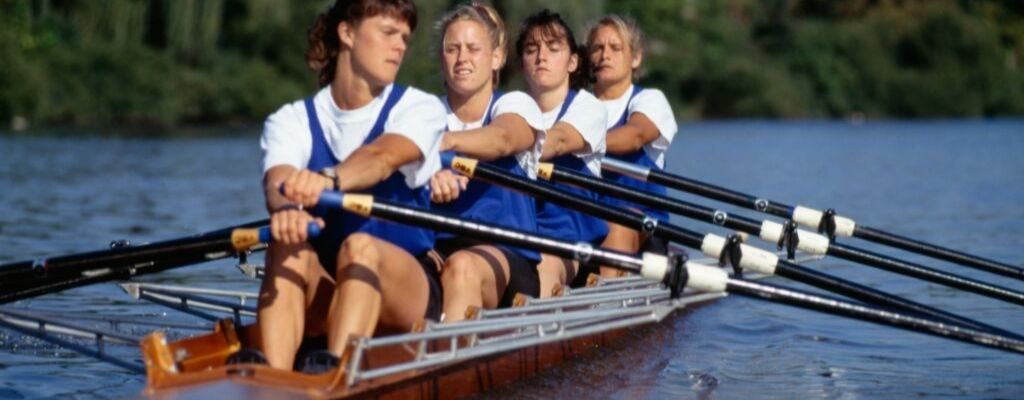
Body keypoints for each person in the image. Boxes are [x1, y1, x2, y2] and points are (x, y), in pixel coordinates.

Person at [255, 0, 446, 371]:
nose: (400, 47)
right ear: (347, 33)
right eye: (388, 32)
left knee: (360, 248)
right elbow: (277, 182)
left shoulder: (419, 108)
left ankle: (336, 380)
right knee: (286, 243)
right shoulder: (291, 120)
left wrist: (326, 180)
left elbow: (381, 158)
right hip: (329, 287)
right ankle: (275, 383)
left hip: (406, 292)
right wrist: (286, 210)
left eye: (405, 37)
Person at [429, 3, 545, 322]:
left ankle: (449, 366)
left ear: (496, 57)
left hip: (509, 258)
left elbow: (502, 140)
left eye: (473, 49)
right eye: (452, 49)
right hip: (438, 246)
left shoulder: (514, 104)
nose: (462, 58)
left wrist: (446, 146)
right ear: (442, 59)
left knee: (462, 267)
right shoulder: (423, 113)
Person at [516, 9, 609, 296]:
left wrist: (497, 146)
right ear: (522, 63)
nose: (541, 56)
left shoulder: (588, 107)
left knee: (541, 266)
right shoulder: (510, 109)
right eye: (531, 49)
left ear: (572, 62)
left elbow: (555, 142)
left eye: (553, 49)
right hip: (516, 236)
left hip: (568, 245)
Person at [587, 15, 677, 276]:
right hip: (585, 221)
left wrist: (570, 143)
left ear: (635, 58)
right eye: (597, 48)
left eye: (615, 48)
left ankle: (604, 303)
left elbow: (633, 137)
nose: (605, 55)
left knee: (616, 223)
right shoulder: (577, 105)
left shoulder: (650, 100)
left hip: (645, 230)